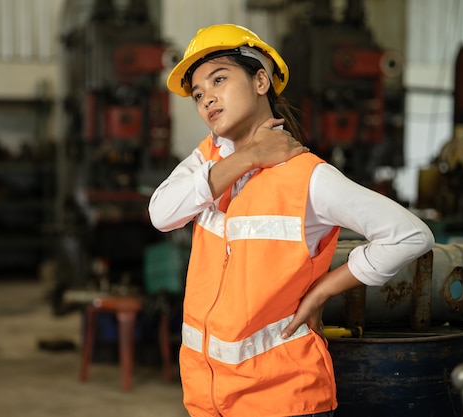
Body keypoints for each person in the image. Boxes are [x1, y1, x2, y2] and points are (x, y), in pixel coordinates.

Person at [148, 23, 434, 417]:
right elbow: (161, 214)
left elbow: (410, 235)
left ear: (261, 79)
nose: (207, 99)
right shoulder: (207, 161)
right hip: (209, 399)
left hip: (284, 400)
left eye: (219, 79)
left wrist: (321, 292)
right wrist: (248, 157)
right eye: (198, 94)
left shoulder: (307, 177)